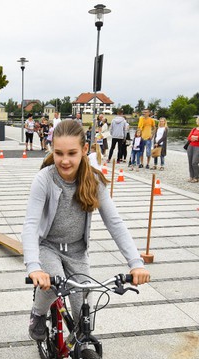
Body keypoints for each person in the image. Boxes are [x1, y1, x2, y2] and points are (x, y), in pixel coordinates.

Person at [22, 119, 150, 341]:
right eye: (59, 153)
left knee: (84, 312)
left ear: (84, 149)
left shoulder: (94, 180)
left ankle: (81, 349)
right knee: (53, 283)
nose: (65, 160)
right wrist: (34, 267)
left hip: (77, 251)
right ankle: (38, 313)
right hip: (48, 246)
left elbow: (115, 223)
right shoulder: (44, 179)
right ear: (52, 150)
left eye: (72, 153)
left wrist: (135, 263)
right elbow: (31, 224)